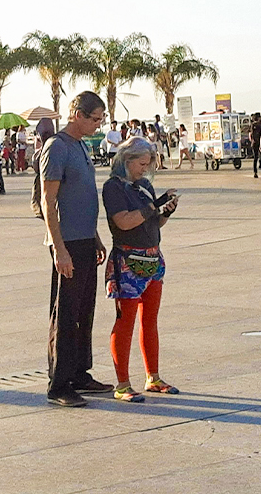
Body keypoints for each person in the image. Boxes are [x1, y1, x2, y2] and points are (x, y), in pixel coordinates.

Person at [39, 90, 111, 408]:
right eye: (95, 119)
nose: (98, 125)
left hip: (84, 241)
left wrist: (94, 236)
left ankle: (80, 373)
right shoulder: (57, 147)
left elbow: (81, 197)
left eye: (101, 120)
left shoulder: (81, 146)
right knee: (66, 314)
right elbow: (48, 201)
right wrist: (59, 249)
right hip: (66, 242)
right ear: (77, 115)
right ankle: (59, 383)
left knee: (84, 312)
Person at [103, 136, 180, 402]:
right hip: (127, 262)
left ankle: (153, 376)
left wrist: (165, 211)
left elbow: (154, 223)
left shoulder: (143, 186)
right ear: (126, 161)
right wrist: (152, 208)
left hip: (152, 259)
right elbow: (124, 222)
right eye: (141, 164)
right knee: (126, 322)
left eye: (148, 165)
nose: (144, 170)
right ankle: (122, 383)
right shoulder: (113, 188)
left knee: (150, 320)